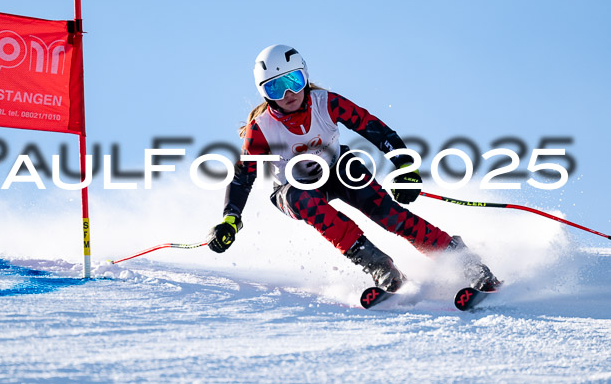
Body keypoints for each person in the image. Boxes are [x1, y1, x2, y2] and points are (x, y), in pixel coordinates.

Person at [207, 44, 501, 293]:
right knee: (303, 198)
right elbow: (243, 176)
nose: (288, 94)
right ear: (264, 93)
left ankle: (464, 262)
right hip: (293, 190)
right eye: (276, 87)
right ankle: (379, 267)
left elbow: (374, 128)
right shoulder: (261, 129)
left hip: (337, 170)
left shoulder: (327, 103)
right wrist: (230, 219)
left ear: (305, 76)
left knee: (390, 215)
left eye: (293, 81)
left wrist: (404, 166)